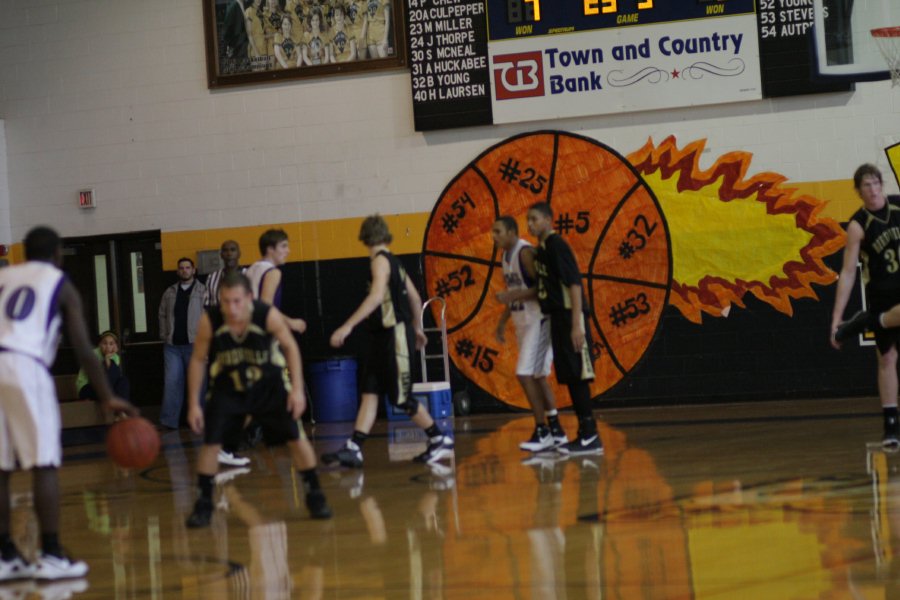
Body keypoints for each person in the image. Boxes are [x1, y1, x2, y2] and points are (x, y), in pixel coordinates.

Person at [0, 226, 136, 580]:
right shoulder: (58, 282)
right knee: (43, 463)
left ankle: (4, 556)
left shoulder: (5, 276)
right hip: (25, 365)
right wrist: (107, 396)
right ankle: (51, 553)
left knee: (2, 467)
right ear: (58, 255)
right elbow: (83, 347)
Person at [184, 273, 331, 527]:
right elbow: (197, 360)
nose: (231, 308)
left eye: (237, 301)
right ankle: (204, 504)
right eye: (226, 301)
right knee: (211, 442)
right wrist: (194, 404)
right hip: (228, 387)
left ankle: (315, 494)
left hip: (269, 386)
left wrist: (296, 389)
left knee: (296, 439)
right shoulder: (211, 321)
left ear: (250, 298)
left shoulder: (266, 315)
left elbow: (291, 347)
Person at [322, 214, 454, 467]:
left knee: (401, 397)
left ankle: (438, 438)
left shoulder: (380, 262)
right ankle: (354, 447)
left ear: (364, 237)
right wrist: (418, 327)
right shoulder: (396, 262)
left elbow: (375, 297)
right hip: (381, 337)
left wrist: (347, 326)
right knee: (370, 392)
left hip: (393, 336)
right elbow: (416, 299)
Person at [526, 202, 603, 456]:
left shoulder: (558, 246)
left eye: (534, 219)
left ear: (548, 220)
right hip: (557, 318)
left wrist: (576, 325)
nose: (530, 224)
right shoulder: (541, 250)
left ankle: (591, 435)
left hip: (571, 317)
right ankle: (584, 434)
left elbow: (574, 285)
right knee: (570, 376)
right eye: (528, 220)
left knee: (579, 376)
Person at [831, 164, 900, 446]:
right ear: (858, 192)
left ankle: (868, 321)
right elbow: (848, 273)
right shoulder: (858, 225)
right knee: (887, 359)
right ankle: (891, 426)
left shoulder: (897, 208)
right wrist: (836, 318)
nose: (872, 190)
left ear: (882, 185)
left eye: (875, 184)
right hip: (882, 294)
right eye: (866, 186)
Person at [491, 216, 567, 452]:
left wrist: (511, 297)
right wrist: (502, 322)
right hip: (523, 323)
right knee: (537, 376)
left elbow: (542, 288)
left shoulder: (525, 253)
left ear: (512, 232)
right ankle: (556, 430)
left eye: (498, 231)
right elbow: (515, 291)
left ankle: (542, 429)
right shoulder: (505, 257)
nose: (494, 236)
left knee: (525, 374)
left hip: (539, 321)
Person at [204, 240, 251, 468]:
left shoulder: (248, 275)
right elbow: (208, 311)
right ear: (221, 254)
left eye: (233, 249)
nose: (229, 253)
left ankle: (241, 435)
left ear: (239, 252)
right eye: (225, 249)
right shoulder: (212, 278)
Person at [158, 257, 207, 430]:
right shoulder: (169, 292)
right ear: (178, 271)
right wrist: (165, 334)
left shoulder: (203, 291)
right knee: (172, 382)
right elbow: (162, 314)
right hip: (172, 347)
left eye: (188, 267)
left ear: (194, 270)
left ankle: (200, 420)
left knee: (199, 384)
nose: (184, 270)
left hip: (195, 344)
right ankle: (169, 422)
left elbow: (208, 318)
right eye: (181, 268)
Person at [245, 229, 306, 334]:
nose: (288, 251)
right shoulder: (273, 272)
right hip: (262, 330)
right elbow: (266, 307)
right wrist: (291, 322)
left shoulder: (251, 269)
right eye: (283, 246)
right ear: (270, 249)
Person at [76, 330, 130, 402]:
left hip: (105, 386)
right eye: (105, 343)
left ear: (115, 346)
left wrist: (108, 357)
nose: (108, 346)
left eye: (111, 344)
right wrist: (107, 358)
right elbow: (97, 377)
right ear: (100, 344)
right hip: (87, 387)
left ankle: (121, 409)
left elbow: (113, 377)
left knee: (123, 381)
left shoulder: (115, 357)